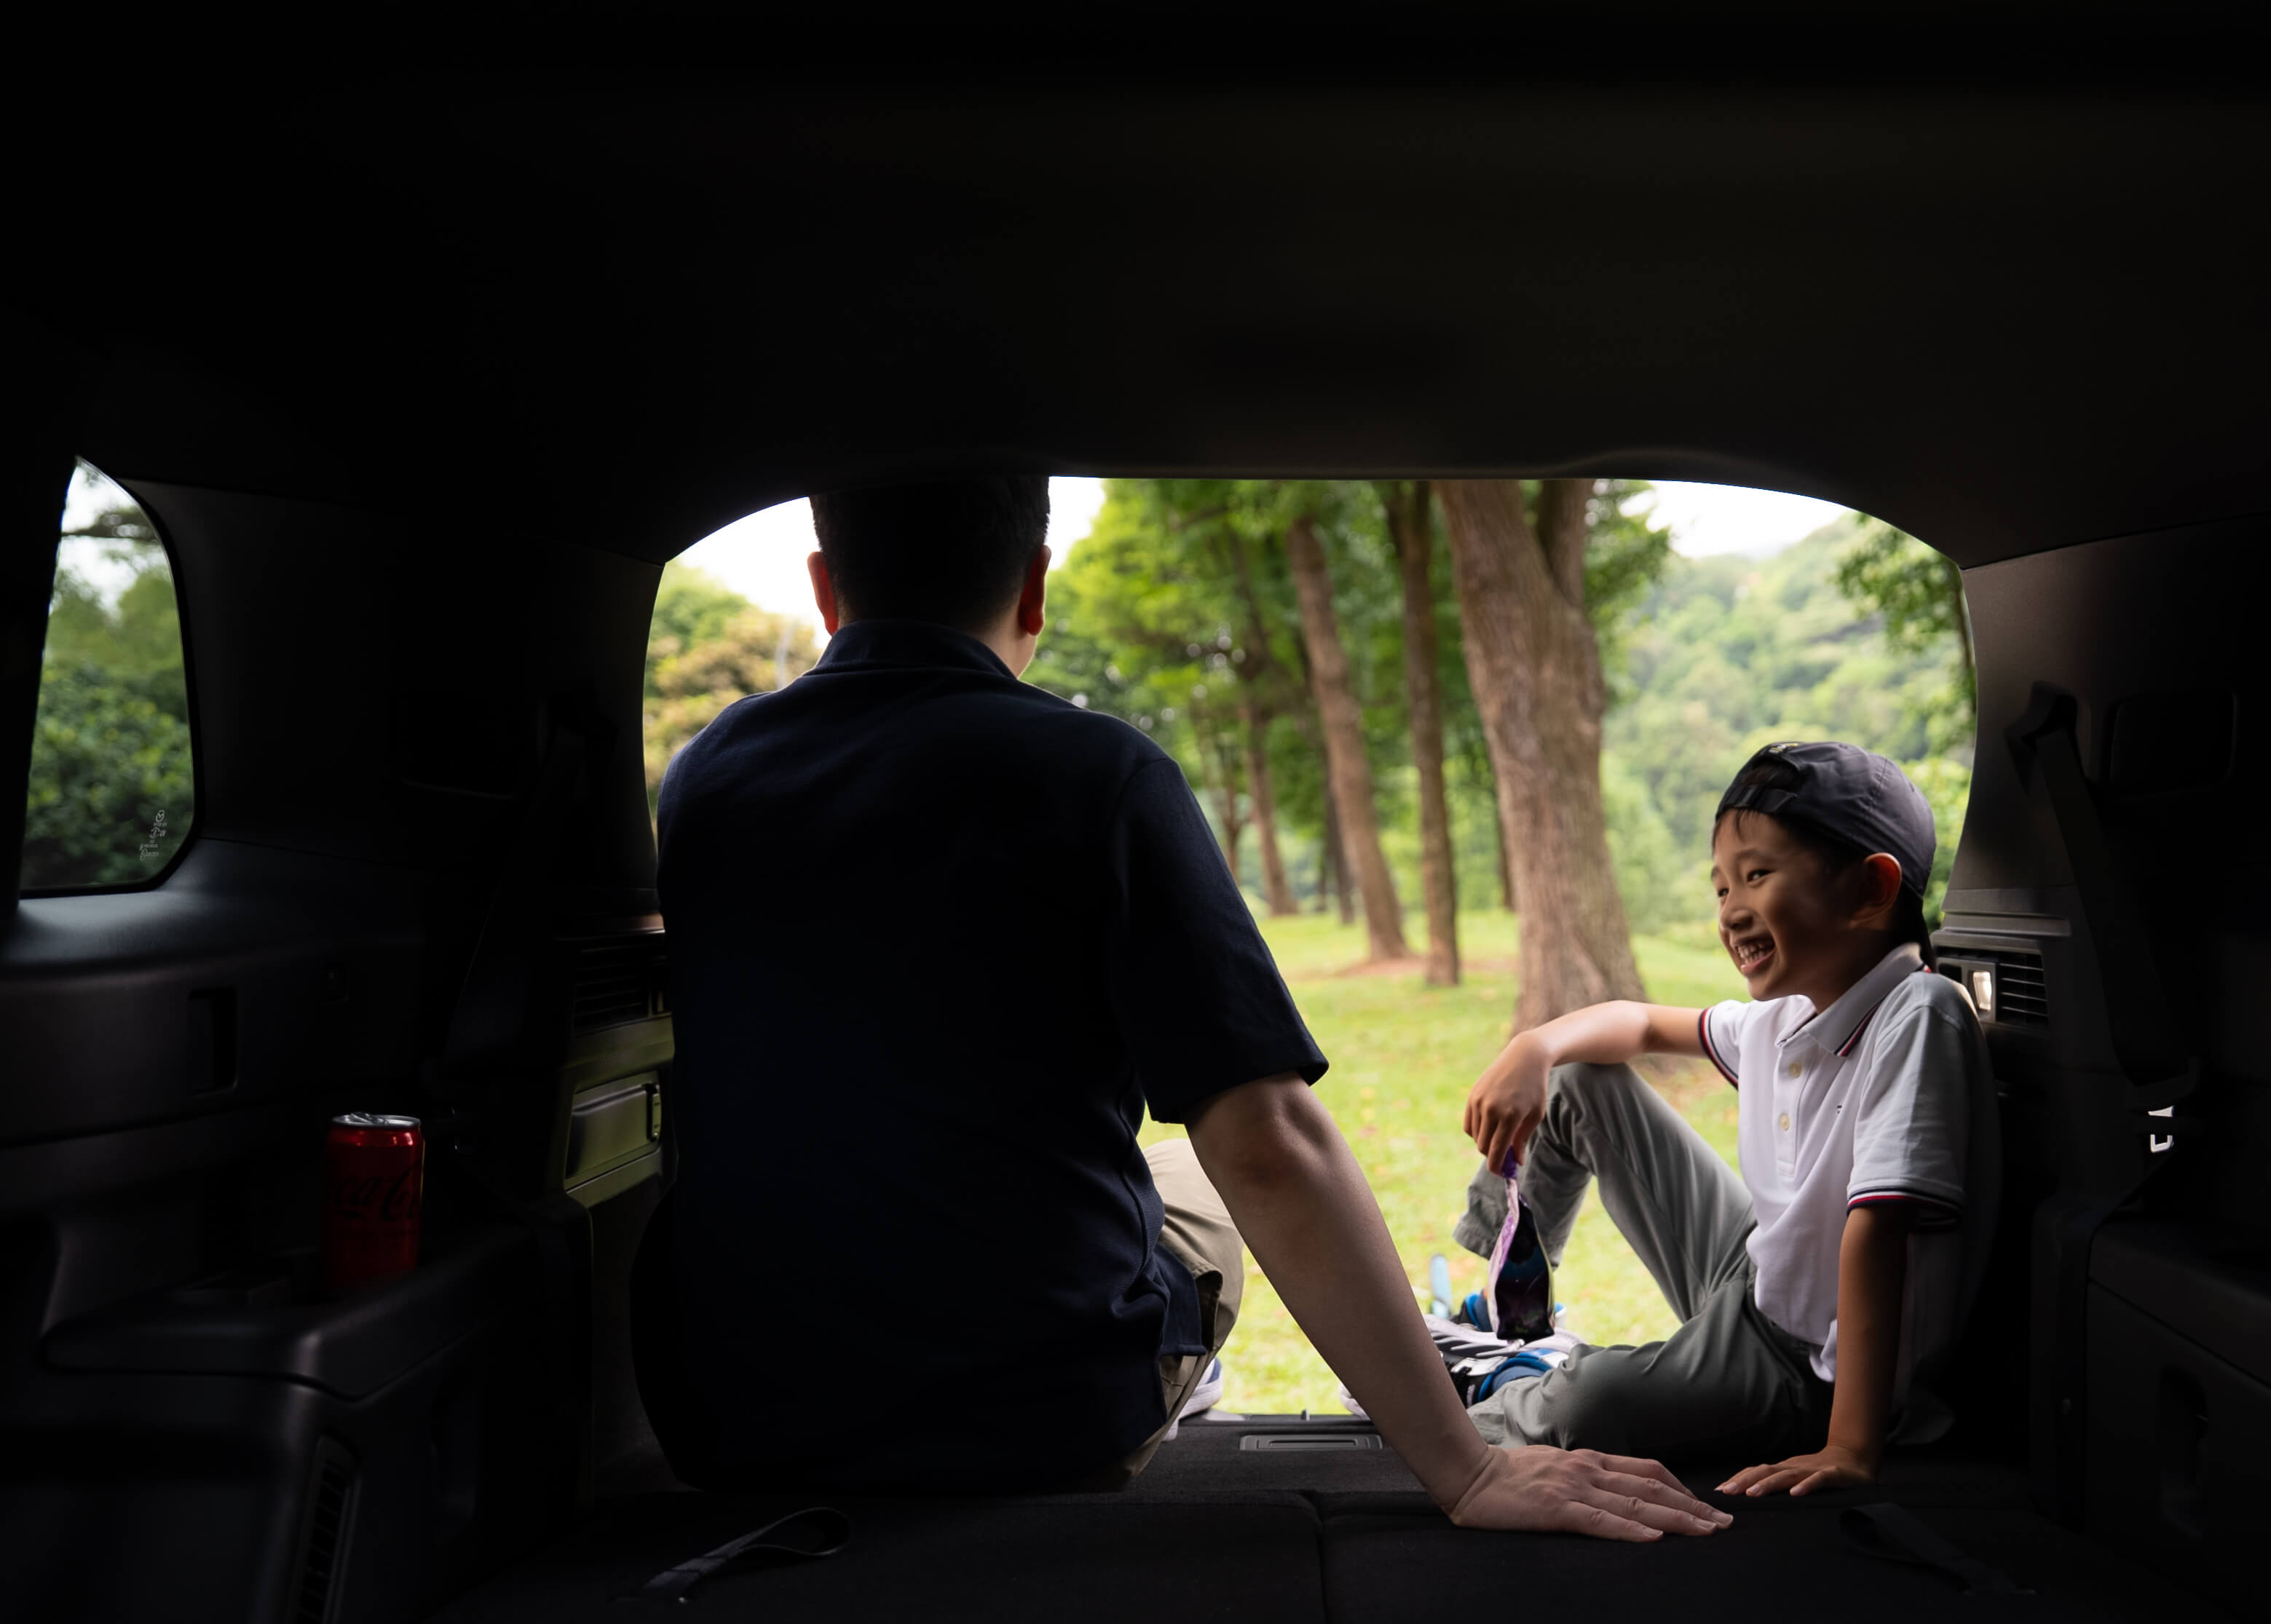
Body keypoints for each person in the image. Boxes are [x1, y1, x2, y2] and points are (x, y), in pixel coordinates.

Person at [652, 475, 1724, 1542]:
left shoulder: (704, 780)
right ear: (1034, 589)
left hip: (735, 1421)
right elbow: (1263, 1146)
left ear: (823, 589)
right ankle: (1154, 1394)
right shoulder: (1095, 774)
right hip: (1027, 1422)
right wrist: (1467, 1470)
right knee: (1193, 1188)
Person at [1447, 741, 1998, 1497]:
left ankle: (1483, 1403)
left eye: (1756, 875)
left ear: (1870, 888)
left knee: (1591, 1396)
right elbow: (1639, 1026)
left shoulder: (1918, 1013)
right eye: (1718, 888)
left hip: (1809, 1367)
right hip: (1756, 1278)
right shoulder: (1786, 1017)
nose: (1730, 909)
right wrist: (1533, 1044)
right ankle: (1504, 1312)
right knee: (1577, 1077)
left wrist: (1848, 1445)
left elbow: (1880, 1231)